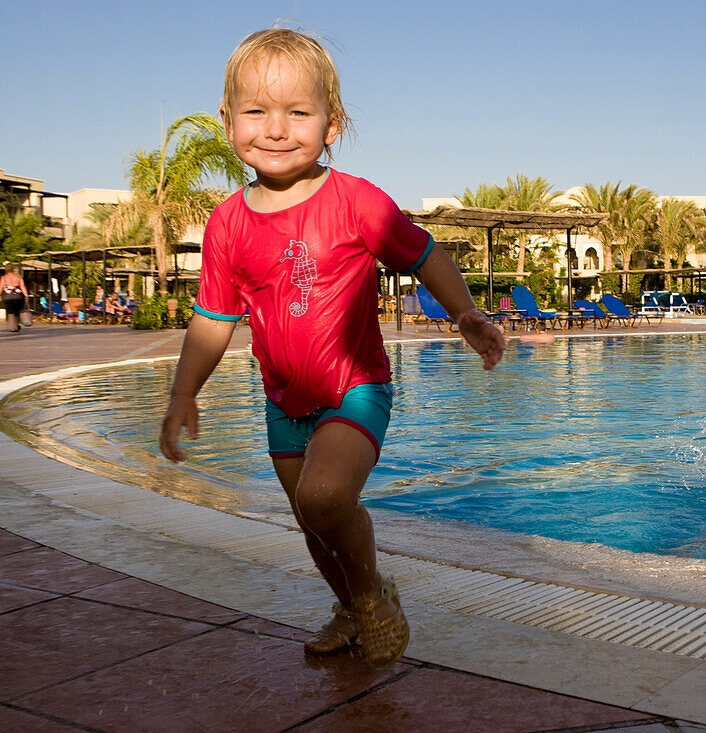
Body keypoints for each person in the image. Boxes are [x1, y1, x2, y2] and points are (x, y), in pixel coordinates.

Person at [159, 28, 506, 667]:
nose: (276, 128)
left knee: (324, 497)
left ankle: (373, 595)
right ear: (226, 120)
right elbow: (213, 318)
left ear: (332, 123)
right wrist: (184, 391)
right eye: (256, 111)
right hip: (283, 401)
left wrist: (466, 315)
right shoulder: (227, 223)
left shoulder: (357, 203)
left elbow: (425, 252)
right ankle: (349, 606)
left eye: (298, 112)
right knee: (312, 520)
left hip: (356, 387)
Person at [1, 262, 28, 333]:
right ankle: (16, 325)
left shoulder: (4, 278)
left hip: (8, 296)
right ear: (13, 269)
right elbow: (22, 287)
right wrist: (26, 296)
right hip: (18, 296)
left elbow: (0, 287)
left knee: (10, 312)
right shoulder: (18, 277)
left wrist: (0, 295)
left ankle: (13, 327)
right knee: (17, 312)